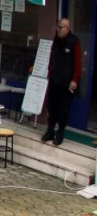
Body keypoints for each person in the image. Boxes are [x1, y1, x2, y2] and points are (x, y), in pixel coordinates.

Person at [43, 17, 81, 146]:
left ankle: (60, 133)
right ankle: (50, 131)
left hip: (67, 81)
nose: (58, 30)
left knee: (63, 109)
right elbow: (52, 58)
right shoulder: (56, 40)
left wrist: (74, 80)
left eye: (60, 27)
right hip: (55, 79)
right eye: (57, 27)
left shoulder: (74, 42)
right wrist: (49, 72)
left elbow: (78, 63)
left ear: (67, 28)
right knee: (52, 107)